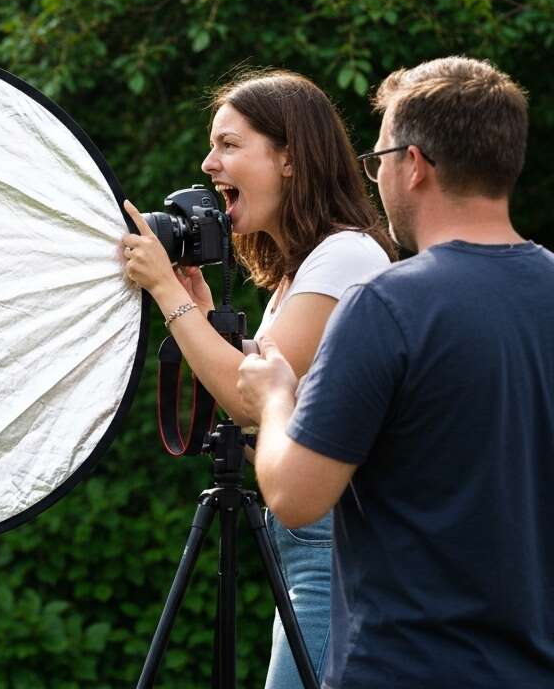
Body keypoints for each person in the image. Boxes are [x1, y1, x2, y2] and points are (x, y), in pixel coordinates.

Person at [236, 56, 554, 688]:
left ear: (414, 164)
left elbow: (294, 497)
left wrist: (275, 401)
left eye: (378, 162)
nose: (376, 179)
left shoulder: (387, 306)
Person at [119, 69, 394, 688]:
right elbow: (270, 390)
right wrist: (194, 302)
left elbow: (244, 394)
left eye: (229, 145)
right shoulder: (303, 273)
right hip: (309, 552)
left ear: (290, 157)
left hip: (330, 553)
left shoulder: (346, 255)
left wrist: (168, 292)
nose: (208, 163)